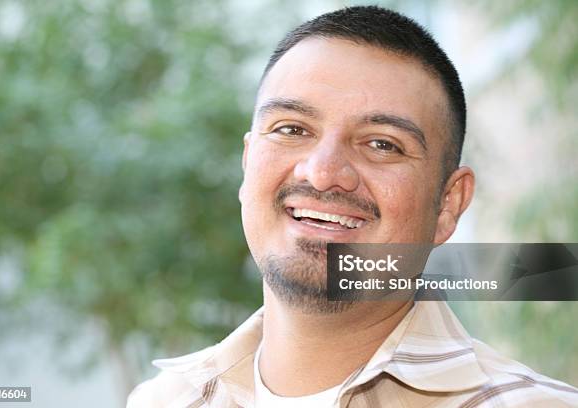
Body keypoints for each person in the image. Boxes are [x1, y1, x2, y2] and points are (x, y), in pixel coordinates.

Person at [127, 5, 578, 408]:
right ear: (248, 164)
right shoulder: (162, 400)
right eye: (291, 129)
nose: (322, 173)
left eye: (382, 144)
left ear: (447, 204)